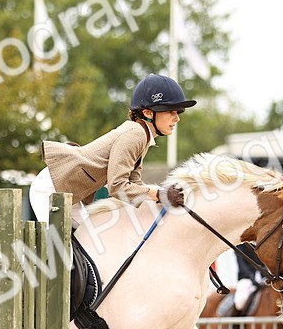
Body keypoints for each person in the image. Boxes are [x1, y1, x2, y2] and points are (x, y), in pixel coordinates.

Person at [30, 73, 192, 225]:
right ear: (148, 113)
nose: (176, 118)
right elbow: (118, 186)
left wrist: (161, 195)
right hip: (51, 189)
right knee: (60, 249)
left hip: (67, 192)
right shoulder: (135, 134)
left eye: (178, 112)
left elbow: (134, 183)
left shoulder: (142, 135)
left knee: (87, 242)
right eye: (170, 111)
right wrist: (160, 194)